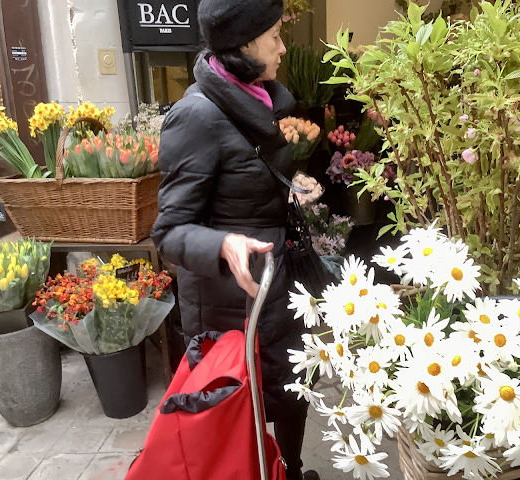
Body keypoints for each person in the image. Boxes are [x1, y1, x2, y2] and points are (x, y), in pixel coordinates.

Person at [151, 1, 318, 479]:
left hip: (278, 281)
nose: (284, 49)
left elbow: (254, 180)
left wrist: (295, 186)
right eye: (274, 39)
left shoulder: (266, 100)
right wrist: (224, 243)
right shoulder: (196, 117)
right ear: (244, 46)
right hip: (231, 298)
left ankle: (289, 469)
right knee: (237, 409)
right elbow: (169, 231)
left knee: (291, 391)